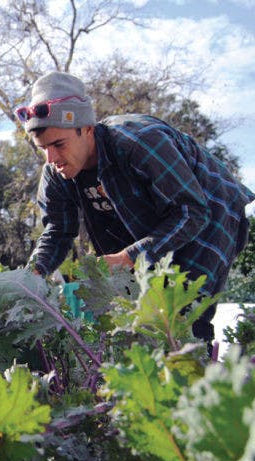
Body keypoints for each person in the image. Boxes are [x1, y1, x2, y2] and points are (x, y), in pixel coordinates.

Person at [18, 71, 255, 344]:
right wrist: (30, 277)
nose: (52, 158)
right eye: (43, 148)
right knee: (133, 319)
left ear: (87, 128)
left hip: (209, 211)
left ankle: (196, 374)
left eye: (59, 144)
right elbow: (57, 230)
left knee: (182, 317)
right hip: (151, 221)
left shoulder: (139, 141)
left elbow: (192, 212)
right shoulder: (54, 172)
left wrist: (129, 257)